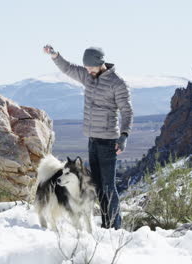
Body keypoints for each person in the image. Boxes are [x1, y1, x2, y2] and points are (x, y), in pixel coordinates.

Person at [43, 45, 133, 229]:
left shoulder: (117, 83)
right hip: (92, 140)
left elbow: (127, 111)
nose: (88, 70)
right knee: (98, 186)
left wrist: (124, 135)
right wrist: (55, 56)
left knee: (108, 186)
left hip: (108, 141)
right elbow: (68, 68)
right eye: (86, 67)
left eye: (91, 67)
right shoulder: (88, 77)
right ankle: (106, 225)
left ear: (100, 63)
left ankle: (115, 227)